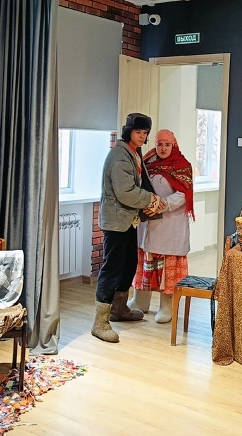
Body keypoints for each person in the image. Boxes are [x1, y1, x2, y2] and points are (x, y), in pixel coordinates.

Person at [92, 113, 168, 343]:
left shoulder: (133, 152)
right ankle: (100, 322)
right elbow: (125, 192)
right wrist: (151, 200)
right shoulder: (120, 156)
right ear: (129, 132)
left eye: (145, 133)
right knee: (112, 268)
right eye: (138, 132)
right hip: (117, 222)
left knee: (129, 265)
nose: (142, 136)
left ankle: (119, 309)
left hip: (127, 220)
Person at [128, 129, 194, 323]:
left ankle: (167, 306)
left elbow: (184, 194)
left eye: (167, 145)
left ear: (173, 145)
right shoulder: (147, 162)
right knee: (145, 263)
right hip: (148, 222)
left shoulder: (182, 165)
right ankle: (140, 301)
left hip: (170, 224)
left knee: (166, 267)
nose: (163, 148)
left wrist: (162, 204)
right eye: (159, 144)